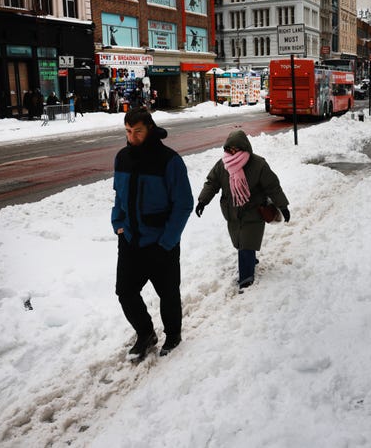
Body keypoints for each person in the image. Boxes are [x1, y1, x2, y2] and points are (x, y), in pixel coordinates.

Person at [111, 107, 193, 358]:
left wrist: (167, 241)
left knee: (168, 293)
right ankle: (146, 333)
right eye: (128, 131)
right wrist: (118, 223)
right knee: (125, 292)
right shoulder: (122, 158)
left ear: (150, 130)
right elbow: (119, 196)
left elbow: (183, 204)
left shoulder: (169, 160)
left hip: (160, 242)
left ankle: (173, 335)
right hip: (131, 240)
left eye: (137, 132)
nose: (132, 137)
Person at [194, 130, 289, 290]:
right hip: (231, 212)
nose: (232, 152)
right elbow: (212, 183)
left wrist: (283, 206)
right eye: (229, 149)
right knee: (240, 242)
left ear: (245, 148)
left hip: (253, 211)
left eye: (236, 149)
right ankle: (250, 259)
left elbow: (273, 186)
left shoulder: (258, 164)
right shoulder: (222, 165)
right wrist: (202, 201)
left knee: (246, 244)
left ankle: (246, 278)